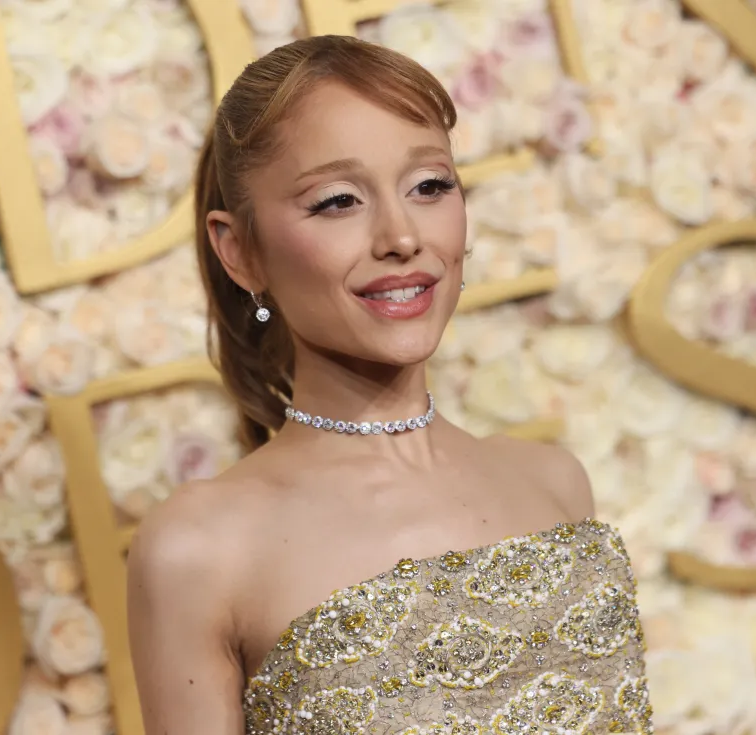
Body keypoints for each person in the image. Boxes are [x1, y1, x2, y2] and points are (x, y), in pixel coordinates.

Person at [126, 35, 653, 735]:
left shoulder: (554, 482)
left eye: (430, 186)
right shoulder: (201, 547)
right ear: (241, 251)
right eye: (339, 200)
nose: (401, 235)